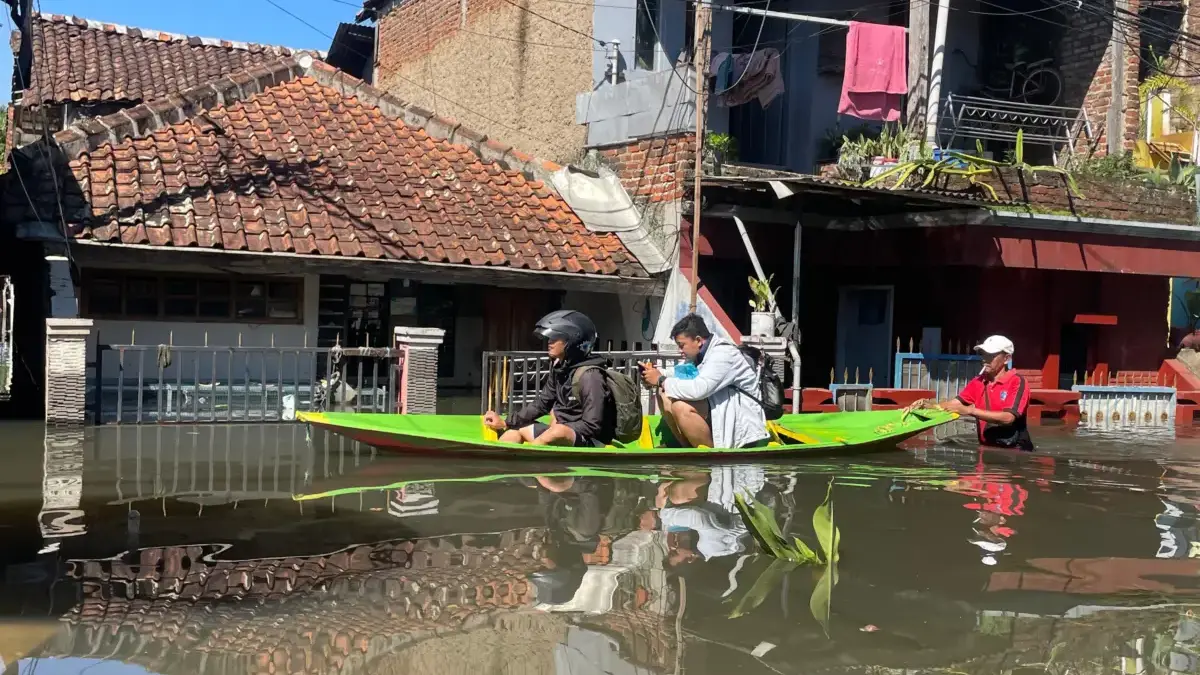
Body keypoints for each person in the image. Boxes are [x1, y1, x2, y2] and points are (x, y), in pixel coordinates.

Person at [482, 310, 615, 447]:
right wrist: (507, 422)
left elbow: (592, 425)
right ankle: (501, 461)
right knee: (517, 429)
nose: (549, 342)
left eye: (556, 338)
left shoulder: (591, 376)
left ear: (574, 341)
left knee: (558, 431)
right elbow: (541, 404)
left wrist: (560, 428)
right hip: (560, 430)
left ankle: (530, 457)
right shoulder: (560, 368)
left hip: (591, 440)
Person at [639, 314, 769, 449]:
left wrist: (660, 379)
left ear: (698, 340)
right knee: (663, 393)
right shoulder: (699, 355)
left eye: (682, 345)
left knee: (680, 407)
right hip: (717, 411)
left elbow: (700, 389)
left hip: (741, 426)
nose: (680, 351)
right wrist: (653, 375)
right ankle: (687, 447)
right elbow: (679, 373)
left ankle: (709, 456)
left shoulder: (723, 354)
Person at [939, 335, 1035, 451]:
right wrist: (931, 406)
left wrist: (970, 410)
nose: (985, 359)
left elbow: (1008, 418)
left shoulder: (1017, 382)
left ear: (1006, 359)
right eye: (983, 354)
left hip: (1015, 453)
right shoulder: (978, 382)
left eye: (991, 355)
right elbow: (954, 404)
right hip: (986, 449)